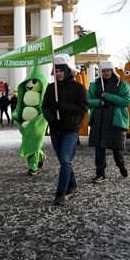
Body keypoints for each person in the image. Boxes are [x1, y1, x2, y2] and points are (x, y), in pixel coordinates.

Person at [42, 54, 89, 206]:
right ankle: (73, 183)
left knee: (65, 160)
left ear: (67, 70)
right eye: (56, 70)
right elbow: (45, 106)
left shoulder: (78, 88)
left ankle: (60, 193)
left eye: (61, 70)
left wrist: (61, 106)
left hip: (70, 130)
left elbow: (82, 108)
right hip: (55, 129)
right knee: (64, 161)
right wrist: (51, 118)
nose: (58, 73)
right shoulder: (50, 88)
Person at [88, 61, 130, 184]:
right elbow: (88, 101)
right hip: (99, 121)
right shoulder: (95, 85)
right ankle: (100, 174)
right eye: (103, 71)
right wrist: (100, 102)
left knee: (117, 148)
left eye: (108, 70)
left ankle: (121, 165)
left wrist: (108, 96)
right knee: (99, 149)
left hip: (115, 121)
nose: (106, 73)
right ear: (100, 72)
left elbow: (126, 101)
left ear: (113, 71)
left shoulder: (122, 84)